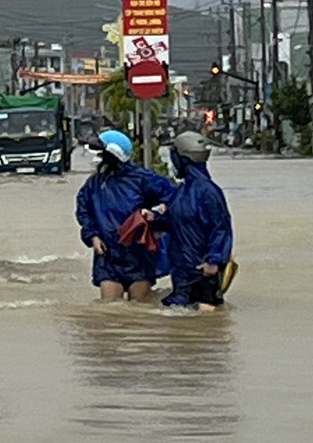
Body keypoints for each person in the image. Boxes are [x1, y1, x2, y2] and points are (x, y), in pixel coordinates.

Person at [74, 128, 172, 302]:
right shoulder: (95, 183)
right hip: (108, 256)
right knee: (110, 313)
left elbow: (174, 200)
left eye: (102, 154)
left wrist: (154, 216)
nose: (98, 159)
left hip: (139, 256)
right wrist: (93, 236)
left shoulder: (143, 179)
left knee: (140, 313)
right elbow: (84, 210)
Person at [156, 131, 235, 311]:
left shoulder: (209, 192)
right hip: (182, 272)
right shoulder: (182, 191)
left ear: (182, 158)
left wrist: (214, 260)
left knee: (206, 321)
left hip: (204, 271)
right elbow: (175, 221)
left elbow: (221, 228)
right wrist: (154, 219)